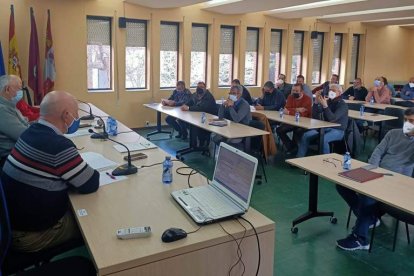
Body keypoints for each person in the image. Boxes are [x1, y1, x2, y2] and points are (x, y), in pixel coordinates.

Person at [1, 90, 100, 253]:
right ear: (66, 115)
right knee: (93, 219)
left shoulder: (29, 132)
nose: (77, 119)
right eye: (76, 114)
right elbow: (90, 183)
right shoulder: (58, 146)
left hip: (11, 225)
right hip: (33, 236)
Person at [336, 107, 414, 251]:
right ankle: (370, 218)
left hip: (396, 180)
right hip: (377, 171)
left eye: (412, 121)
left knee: (368, 198)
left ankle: (360, 239)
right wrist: (373, 169)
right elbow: (378, 151)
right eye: (406, 120)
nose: (408, 124)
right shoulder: (393, 133)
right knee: (342, 184)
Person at [297, 84, 348, 157]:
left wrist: (325, 106)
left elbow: (332, 118)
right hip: (324, 127)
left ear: (340, 93)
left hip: (338, 130)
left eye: (333, 90)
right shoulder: (328, 101)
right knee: (306, 135)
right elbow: (315, 115)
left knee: (324, 140)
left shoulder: (342, 105)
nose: (331, 92)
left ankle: (325, 161)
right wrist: (316, 103)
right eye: (330, 90)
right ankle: (299, 158)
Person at [0, 75, 29, 167]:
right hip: (10, 158)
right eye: (18, 89)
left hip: (19, 153)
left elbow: (25, 123)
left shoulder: (10, 105)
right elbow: (24, 135)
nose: (20, 93)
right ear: (7, 89)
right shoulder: (2, 110)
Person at [276, 83, 312, 155]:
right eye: (293, 90)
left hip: (304, 123)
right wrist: (297, 109)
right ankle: (292, 147)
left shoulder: (307, 99)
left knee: (297, 131)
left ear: (302, 92)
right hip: (292, 121)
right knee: (279, 130)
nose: (294, 92)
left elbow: (303, 114)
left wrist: (290, 111)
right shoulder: (290, 97)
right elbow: (286, 109)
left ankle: (295, 149)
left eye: (296, 91)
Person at [181, 81, 217, 146]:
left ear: (205, 88)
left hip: (208, 119)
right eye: (198, 87)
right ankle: (194, 144)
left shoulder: (208, 96)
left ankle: (199, 145)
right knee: (183, 120)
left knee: (194, 125)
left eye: (201, 87)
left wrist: (189, 108)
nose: (199, 88)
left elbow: (202, 108)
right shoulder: (195, 94)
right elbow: (189, 102)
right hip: (198, 116)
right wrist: (185, 105)